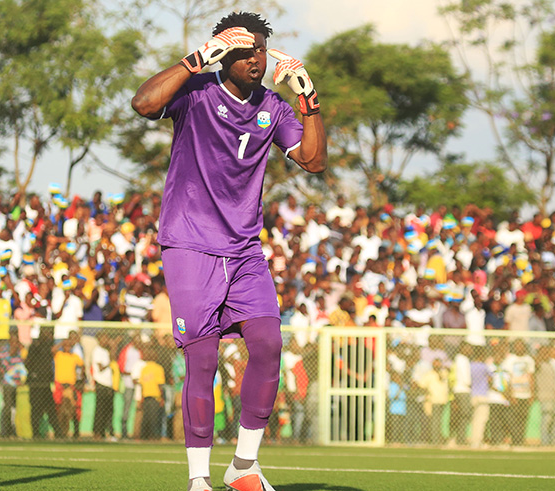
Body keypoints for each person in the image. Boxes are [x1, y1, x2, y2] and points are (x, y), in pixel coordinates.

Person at [131, 9, 326, 491]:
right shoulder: (195, 93)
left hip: (243, 249)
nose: (255, 58)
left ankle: (243, 467)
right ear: (223, 53)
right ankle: (198, 479)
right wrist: (197, 59)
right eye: (244, 50)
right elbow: (143, 103)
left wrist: (309, 101)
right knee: (203, 359)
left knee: (268, 343)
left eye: (260, 49)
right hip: (190, 243)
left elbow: (315, 161)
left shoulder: (274, 107)